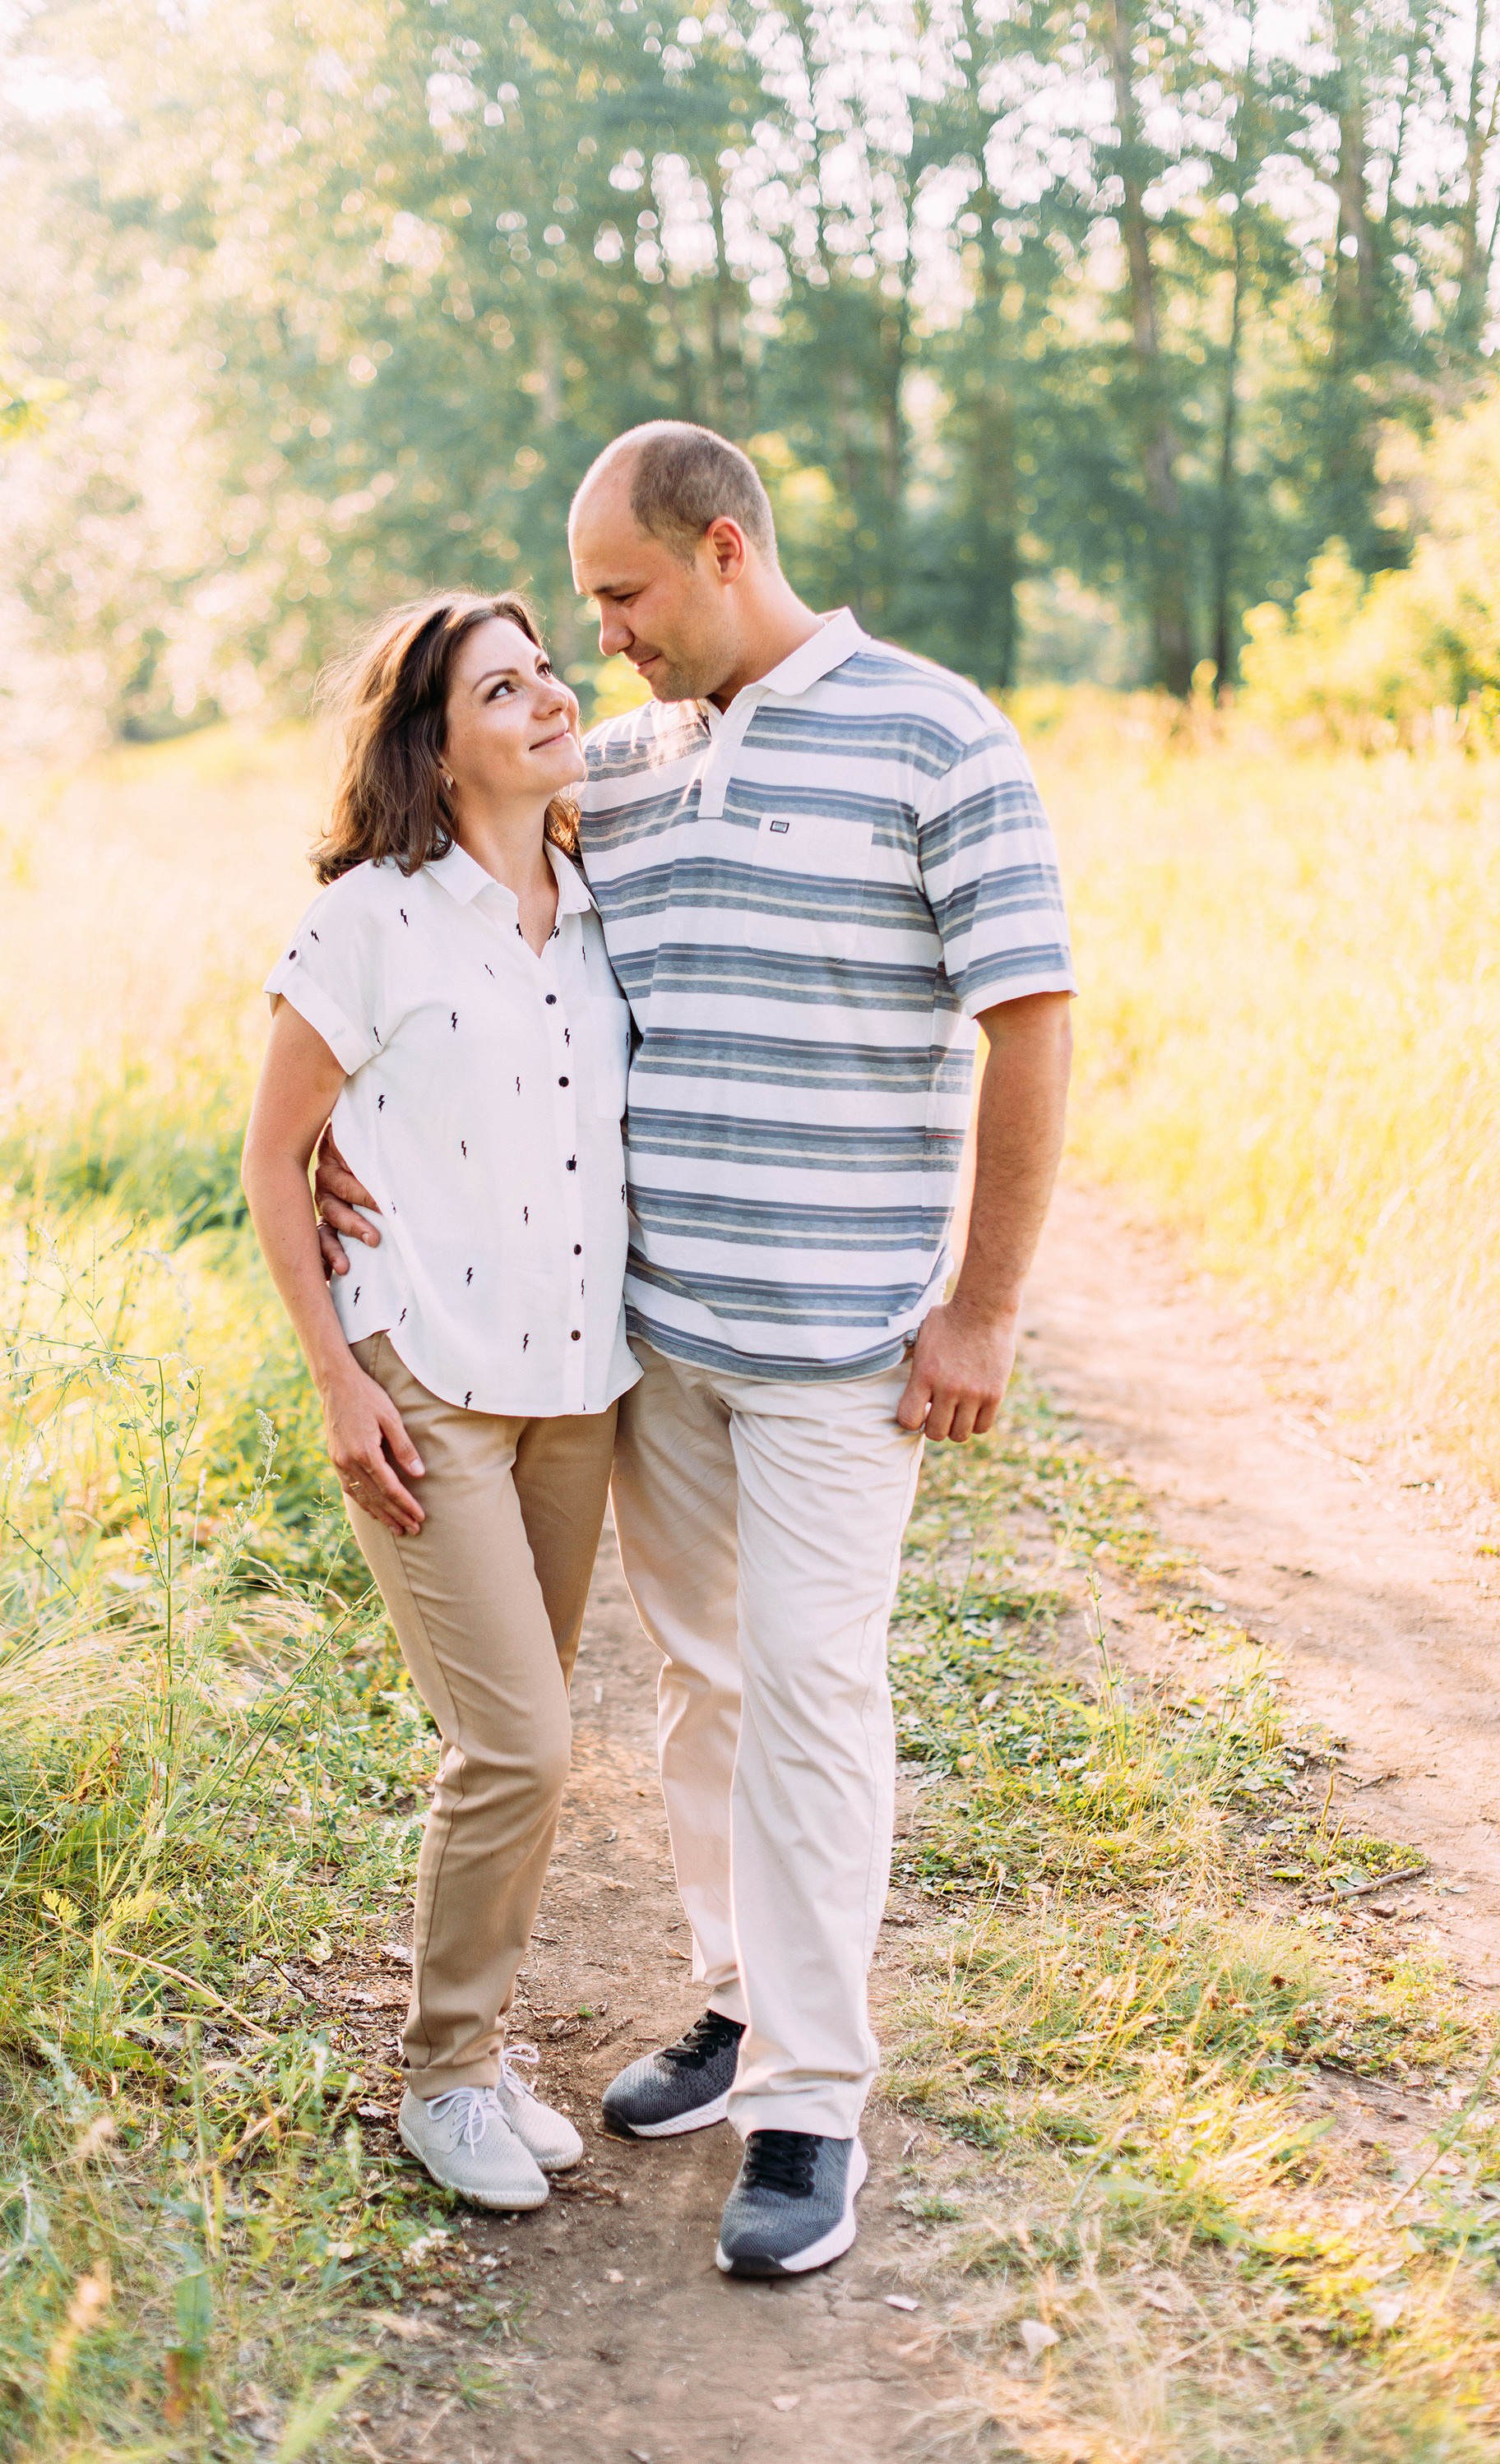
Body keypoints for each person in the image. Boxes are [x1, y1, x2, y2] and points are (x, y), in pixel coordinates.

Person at [316, 424, 1075, 2277]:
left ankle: (811, 2101)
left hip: (840, 1348)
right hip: (653, 1340)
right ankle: (740, 2001)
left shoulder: (939, 737)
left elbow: (1033, 1022)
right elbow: (448, 926)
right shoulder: (634, 769)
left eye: (623, 596)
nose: (604, 640)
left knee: (811, 1693)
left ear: (724, 550)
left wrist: (981, 1307)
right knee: (707, 1685)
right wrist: (332, 1127)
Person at [242, 590, 640, 2212]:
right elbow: (275, 1156)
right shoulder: (370, 922)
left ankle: (478, 2051)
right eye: (502, 688)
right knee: (520, 1741)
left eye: (548, 671)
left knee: (521, 1748)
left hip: (579, 1384)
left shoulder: (604, 898)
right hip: (429, 1381)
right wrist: (338, 1378)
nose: (550, 697)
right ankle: (442, 2073)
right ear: (435, 742)